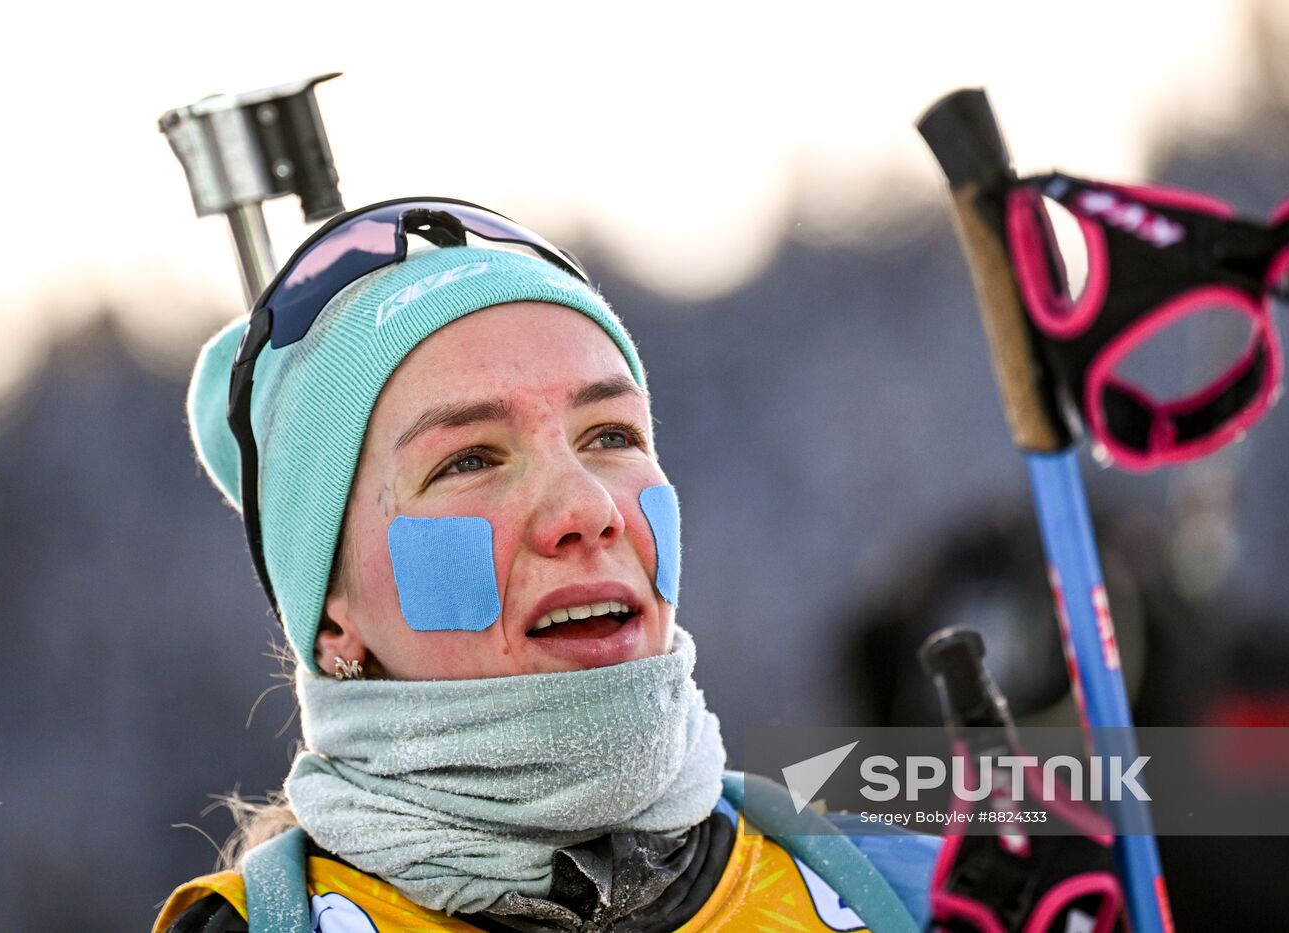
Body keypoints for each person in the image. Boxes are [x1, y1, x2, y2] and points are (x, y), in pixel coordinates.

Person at [153, 198, 938, 933]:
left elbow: (1045, 791)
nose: (586, 508)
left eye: (612, 436)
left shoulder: (889, 868)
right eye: (467, 459)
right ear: (332, 617)